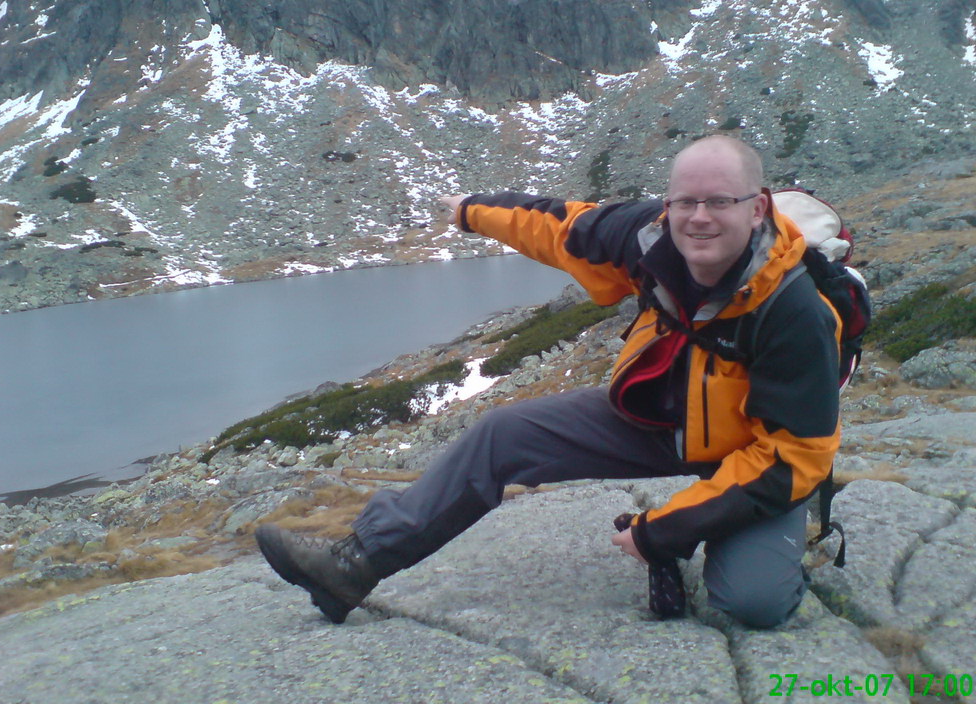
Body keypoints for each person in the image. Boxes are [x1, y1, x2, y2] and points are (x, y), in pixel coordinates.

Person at [255, 135, 841, 629]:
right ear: (667, 204)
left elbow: (795, 453)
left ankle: (764, 536)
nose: (699, 218)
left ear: (758, 208)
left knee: (753, 603)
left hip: (751, 451)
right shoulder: (648, 236)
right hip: (662, 415)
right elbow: (558, 225)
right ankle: (353, 564)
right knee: (503, 433)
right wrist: (468, 211)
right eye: (684, 201)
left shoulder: (795, 310)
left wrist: (665, 531)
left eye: (719, 201)